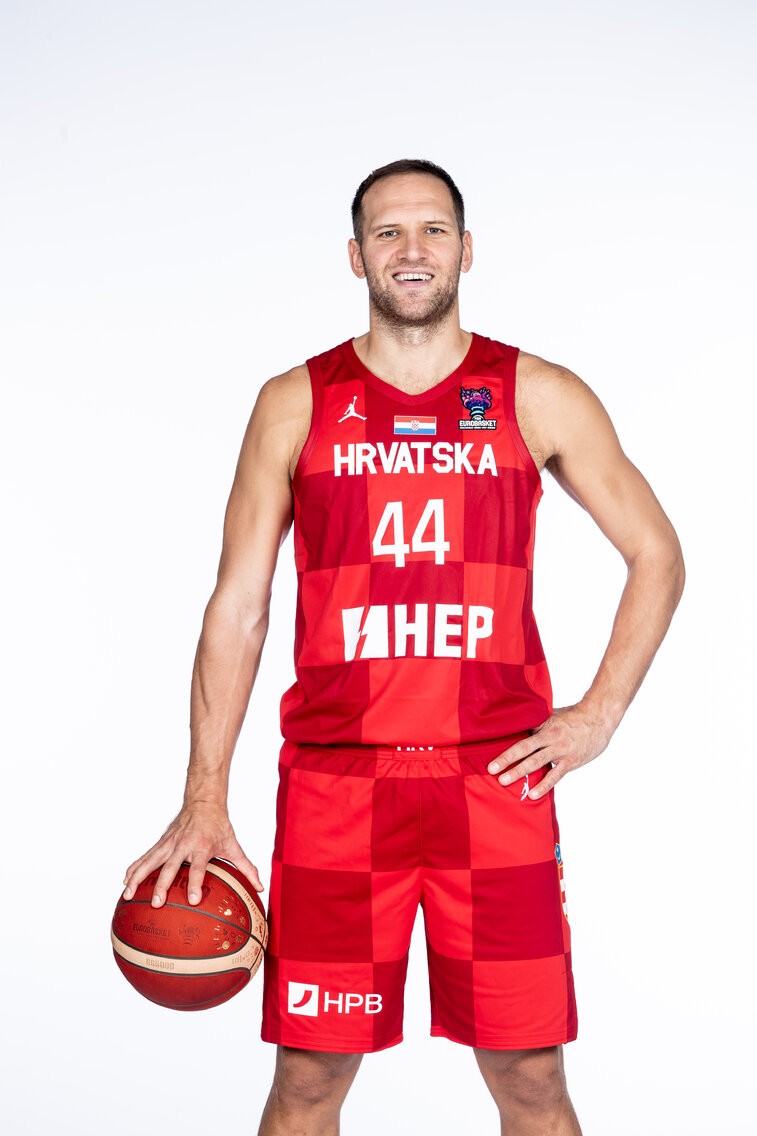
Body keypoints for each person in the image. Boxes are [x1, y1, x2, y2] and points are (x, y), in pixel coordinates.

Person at [122, 158, 684, 1135]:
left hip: (494, 783)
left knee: (531, 1078)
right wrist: (203, 796)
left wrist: (597, 715)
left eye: (433, 230)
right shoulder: (294, 401)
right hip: (337, 787)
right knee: (307, 1079)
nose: (411, 250)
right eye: (387, 232)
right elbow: (238, 607)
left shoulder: (536, 393)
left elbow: (657, 553)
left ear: (466, 250)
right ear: (356, 256)